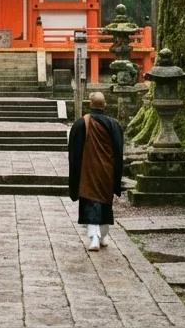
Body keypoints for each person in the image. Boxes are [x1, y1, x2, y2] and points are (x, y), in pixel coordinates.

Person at [67, 91, 124, 252]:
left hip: (88, 171)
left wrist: (76, 173)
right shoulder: (113, 124)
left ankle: (94, 238)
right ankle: (103, 236)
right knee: (105, 201)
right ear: (104, 105)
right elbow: (118, 151)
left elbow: (74, 152)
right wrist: (117, 172)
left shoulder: (80, 124)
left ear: (90, 104)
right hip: (107, 171)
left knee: (90, 202)